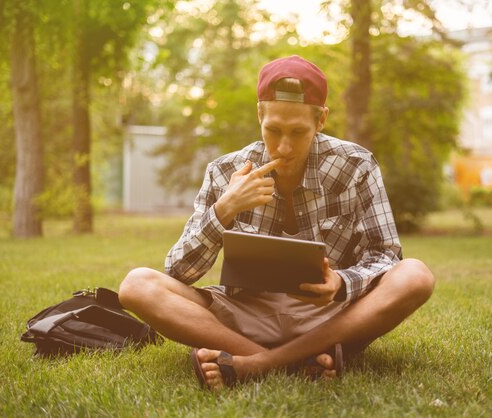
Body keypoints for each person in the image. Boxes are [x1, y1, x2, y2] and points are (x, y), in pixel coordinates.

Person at [118, 55, 435, 390]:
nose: (284, 146)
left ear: (321, 120)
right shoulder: (225, 170)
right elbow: (179, 272)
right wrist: (225, 208)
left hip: (328, 317)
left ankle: (257, 364)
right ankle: (303, 361)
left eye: (298, 132)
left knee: (416, 274)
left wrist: (340, 283)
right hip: (245, 315)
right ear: (259, 115)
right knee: (136, 285)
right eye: (273, 130)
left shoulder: (356, 165)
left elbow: (386, 256)